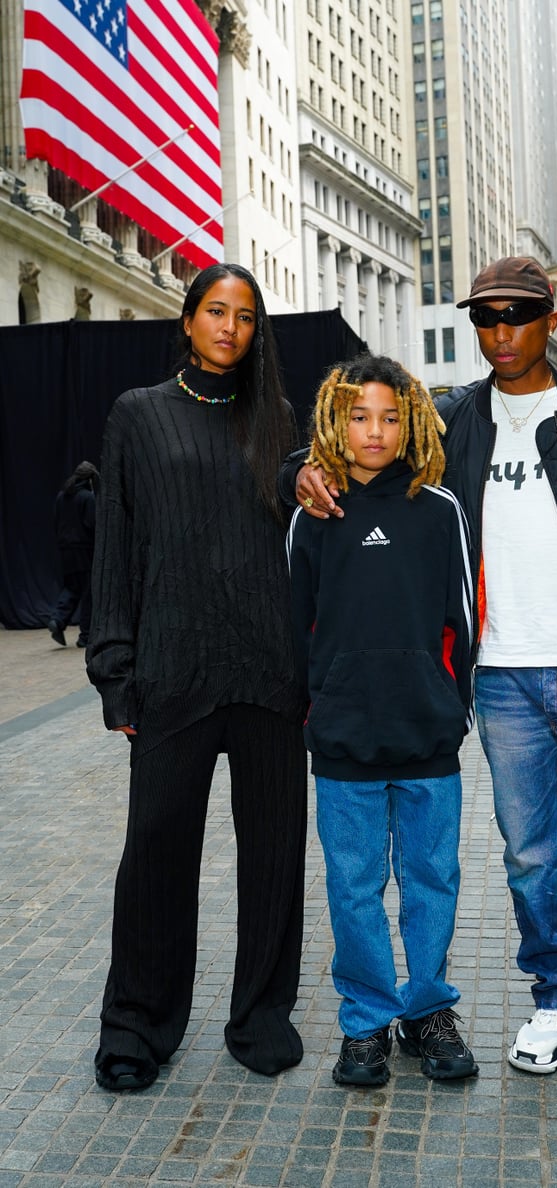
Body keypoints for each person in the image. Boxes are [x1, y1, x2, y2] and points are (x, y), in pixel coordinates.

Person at [288, 257, 557, 1119]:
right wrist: (306, 467)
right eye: (486, 318)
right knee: (529, 859)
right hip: (504, 681)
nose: (502, 331)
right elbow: (367, 436)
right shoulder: (454, 419)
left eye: (519, 315)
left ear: (551, 319)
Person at [87, 263, 307, 1093]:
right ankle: (136, 1027)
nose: (229, 327)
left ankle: (261, 1014)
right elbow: (116, 549)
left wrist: (312, 670)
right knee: (154, 857)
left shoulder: (278, 419)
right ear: (186, 321)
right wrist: (116, 672)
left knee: (276, 858)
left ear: (257, 333)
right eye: (215, 311)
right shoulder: (139, 416)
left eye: (246, 317)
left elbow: (300, 556)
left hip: (270, 677)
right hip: (172, 674)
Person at [287, 354, 478, 1087]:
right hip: (343, 741)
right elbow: (294, 622)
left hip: (427, 736)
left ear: (413, 422)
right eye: (360, 416)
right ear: (338, 421)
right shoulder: (315, 514)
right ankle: (365, 1020)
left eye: (391, 416)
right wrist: (318, 706)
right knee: (354, 886)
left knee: (433, 877)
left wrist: (448, 704)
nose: (376, 430)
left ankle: (427, 1010)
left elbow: (464, 619)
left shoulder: (440, 509)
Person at [46, 460, 99, 647]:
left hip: (65, 549)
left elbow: (55, 522)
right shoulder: (87, 497)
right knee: (88, 592)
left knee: (71, 587)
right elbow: (92, 525)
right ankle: (86, 636)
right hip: (84, 550)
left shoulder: (62, 496)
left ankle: (58, 619)